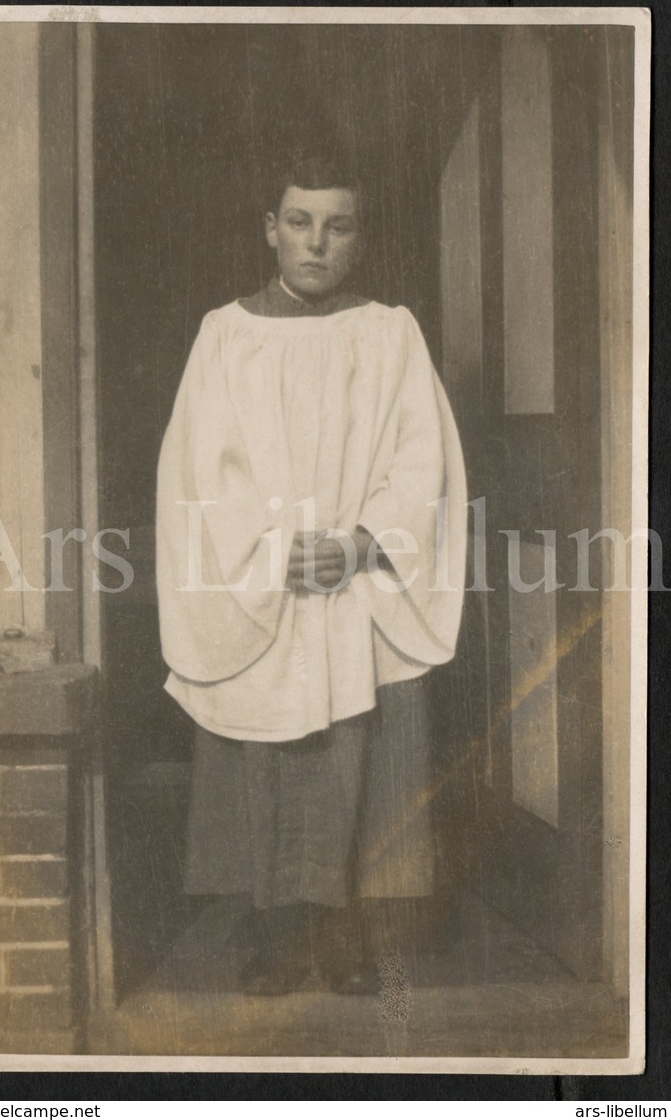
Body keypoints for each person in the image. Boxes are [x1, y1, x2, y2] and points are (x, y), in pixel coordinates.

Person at [156, 153, 467, 995]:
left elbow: (420, 456)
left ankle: (340, 933)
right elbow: (200, 466)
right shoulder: (228, 333)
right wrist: (267, 547)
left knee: (347, 757)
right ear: (270, 227)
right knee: (262, 750)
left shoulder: (388, 332)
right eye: (299, 222)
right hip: (268, 576)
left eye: (338, 225)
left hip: (351, 583)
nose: (317, 243)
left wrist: (364, 540)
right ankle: (270, 934)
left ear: (359, 236)